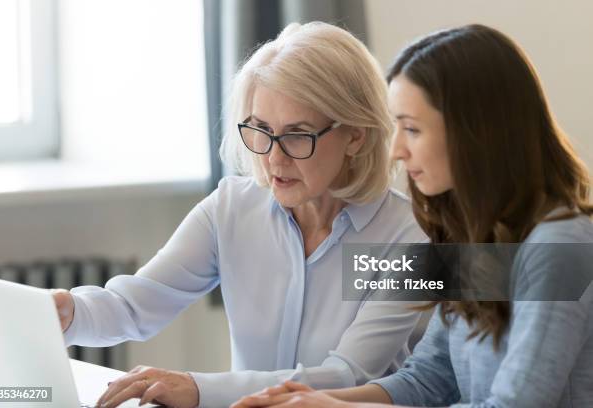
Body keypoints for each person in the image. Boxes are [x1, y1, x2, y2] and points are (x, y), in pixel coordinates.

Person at [51, 22, 427, 408]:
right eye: (261, 129)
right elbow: (134, 304)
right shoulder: (232, 208)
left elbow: (348, 375)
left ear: (355, 135)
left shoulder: (413, 237)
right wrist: (68, 310)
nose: (273, 158)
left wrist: (198, 389)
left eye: (297, 134)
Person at [233, 24, 593, 408]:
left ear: (474, 134)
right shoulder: (473, 242)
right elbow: (428, 379)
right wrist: (314, 399)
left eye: (412, 129)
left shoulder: (560, 246)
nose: (397, 151)